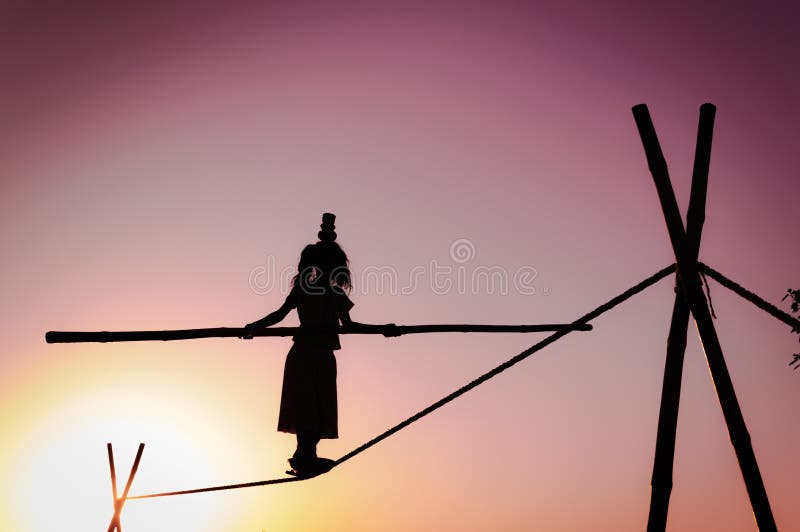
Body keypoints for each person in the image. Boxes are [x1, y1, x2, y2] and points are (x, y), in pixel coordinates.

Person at [244, 213, 366, 477]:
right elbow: (280, 315)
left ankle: (306, 456)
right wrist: (254, 327)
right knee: (309, 406)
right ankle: (304, 456)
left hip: (315, 355)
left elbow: (351, 326)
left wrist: (387, 331)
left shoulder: (326, 292)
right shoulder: (315, 290)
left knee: (317, 407)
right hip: (310, 355)